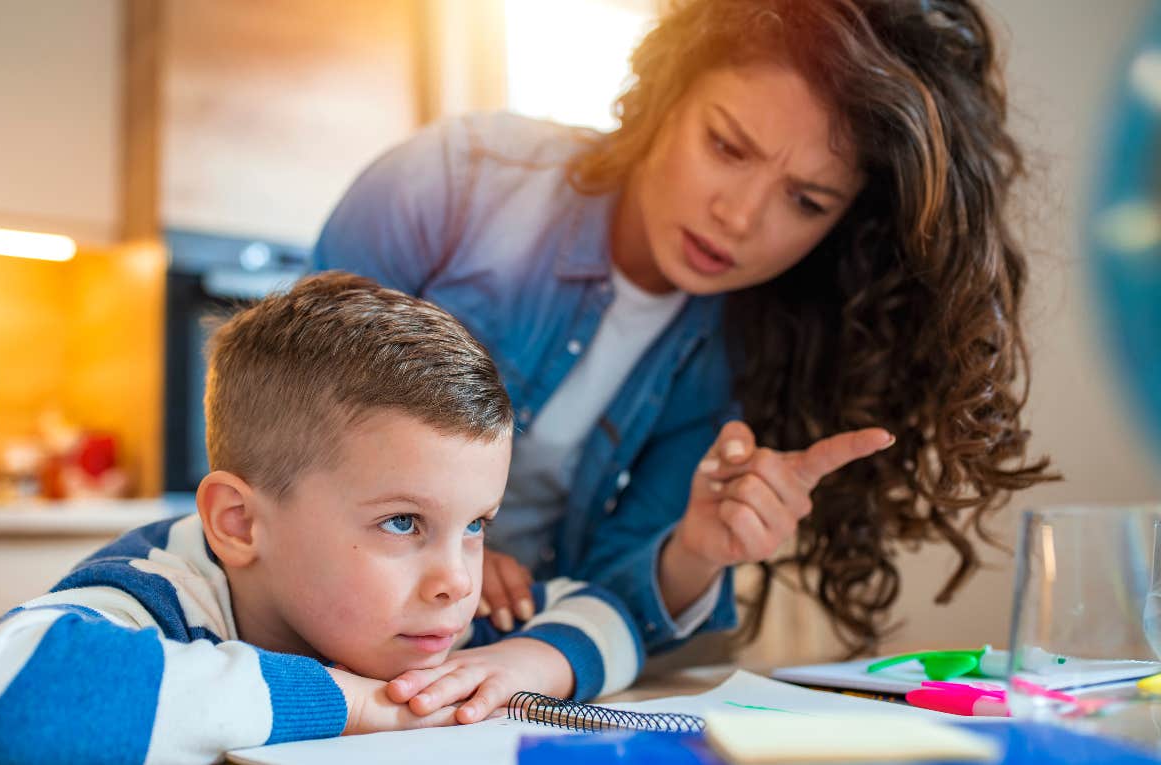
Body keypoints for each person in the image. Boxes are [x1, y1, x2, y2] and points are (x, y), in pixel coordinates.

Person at [313, 0, 1055, 656]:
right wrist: (447, 556)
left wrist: (700, 551)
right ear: (667, 96)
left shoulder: (743, 351)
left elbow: (619, 589)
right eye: (727, 147)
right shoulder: (451, 183)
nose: (739, 216)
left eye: (805, 200)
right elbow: (281, 432)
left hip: (504, 671)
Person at [0, 273, 644, 764]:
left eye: (477, 523)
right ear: (239, 523)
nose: (456, 581)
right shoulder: (162, 592)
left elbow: (605, 612)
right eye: (403, 523)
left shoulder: (429, 612)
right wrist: (354, 703)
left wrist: (525, 661)